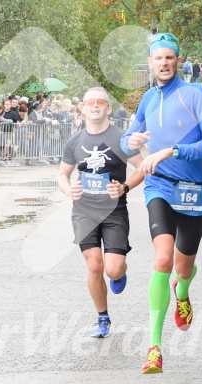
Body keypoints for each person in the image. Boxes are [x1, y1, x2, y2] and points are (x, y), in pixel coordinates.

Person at [120, 32, 202, 374]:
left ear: (178, 61)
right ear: (150, 63)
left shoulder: (195, 94)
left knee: (183, 267)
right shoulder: (148, 98)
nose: (163, 63)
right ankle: (154, 348)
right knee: (162, 258)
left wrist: (172, 150)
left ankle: (183, 292)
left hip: (194, 188)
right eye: (158, 58)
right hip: (159, 186)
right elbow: (128, 139)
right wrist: (129, 139)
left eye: (169, 57)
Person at [58, 86, 144, 341]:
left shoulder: (122, 137)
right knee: (94, 265)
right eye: (89, 103)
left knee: (113, 270)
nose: (95, 106)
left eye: (100, 102)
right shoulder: (75, 141)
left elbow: (142, 168)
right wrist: (68, 190)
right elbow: (63, 174)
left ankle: (120, 272)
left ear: (108, 108)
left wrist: (125, 186)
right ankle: (102, 317)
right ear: (83, 109)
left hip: (114, 210)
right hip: (84, 211)